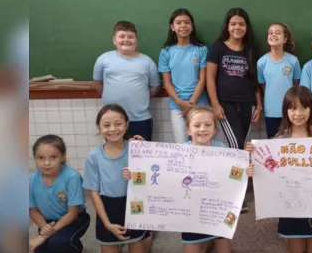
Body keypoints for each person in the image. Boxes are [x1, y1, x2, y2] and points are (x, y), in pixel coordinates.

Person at [124, 106, 253, 253]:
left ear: (214, 130)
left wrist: (246, 171)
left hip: (215, 214)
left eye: (208, 125)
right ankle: (206, 244)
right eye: (197, 125)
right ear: (188, 129)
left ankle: (213, 239)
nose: (202, 129)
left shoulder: (223, 150)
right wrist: (141, 157)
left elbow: (234, 176)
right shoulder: (179, 151)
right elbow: (159, 168)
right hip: (190, 217)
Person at [245, 86, 312, 253]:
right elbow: (268, 171)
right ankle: (285, 229)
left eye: (304, 107)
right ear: (285, 111)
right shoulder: (278, 141)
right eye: (292, 108)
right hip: (291, 204)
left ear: (311, 109)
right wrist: (253, 162)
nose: (298, 113)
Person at [82, 104, 153, 253]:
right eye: (106, 125)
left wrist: (145, 153)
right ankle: (120, 242)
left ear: (127, 125)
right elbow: (94, 193)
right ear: (98, 127)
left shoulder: (136, 148)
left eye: (118, 123)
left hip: (133, 206)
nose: (113, 129)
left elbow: (152, 180)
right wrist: (107, 224)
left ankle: (147, 236)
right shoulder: (94, 156)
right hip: (109, 209)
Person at [28, 134, 90, 253]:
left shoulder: (71, 177)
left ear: (62, 157)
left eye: (53, 157)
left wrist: (43, 237)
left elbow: (72, 213)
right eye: (41, 158)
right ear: (35, 158)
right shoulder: (31, 180)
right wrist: (43, 227)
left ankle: (75, 250)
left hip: (74, 220)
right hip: (48, 223)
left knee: (59, 242)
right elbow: (33, 210)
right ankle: (58, 245)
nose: (47, 163)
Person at [93, 20, 161, 141]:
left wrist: (141, 98)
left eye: (130, 37)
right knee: (115, 155)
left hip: (140, 119)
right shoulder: (103, 59)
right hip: (113, 121)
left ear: (136, 40)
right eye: (122, 36)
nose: (126, 40)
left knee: (142, 157)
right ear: (114, 40)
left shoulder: (148, 62)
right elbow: (98, 84)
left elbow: (154, 87)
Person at [206, 8, 263, 149]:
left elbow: (255, 79)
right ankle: (236, 171)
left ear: (246, 27)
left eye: (241, 24)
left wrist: (259, 106)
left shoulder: (251, 49)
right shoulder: (218, 47)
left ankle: (240, 171)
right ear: (227, 26)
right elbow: (210, 78)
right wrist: (215, 105)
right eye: (233, 24)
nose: (237, 27)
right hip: (225, 103)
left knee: (241, 144)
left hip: (248, 103)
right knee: (235, 143)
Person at [158, 8, 209, 143]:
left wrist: (192, 102)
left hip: (199, 103)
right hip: (177, 105)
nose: (183, 26)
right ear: (172, 27)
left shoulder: (201, 49)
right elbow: (167, 82)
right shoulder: (166, 51)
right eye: (178, 23)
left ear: (192, 26)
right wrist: (181, 103)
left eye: (187, 22)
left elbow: (203, 79)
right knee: (181, 145)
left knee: (202, 142)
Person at [257, 22, 300, 139]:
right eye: (270, 33)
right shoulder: (261, 62)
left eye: (278, 33)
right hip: (271, 111)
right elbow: (263, 85)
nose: (273, 35)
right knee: (273, 143)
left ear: (285, 39)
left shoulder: (293, 61)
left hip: (290, 111)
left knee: (291, 143)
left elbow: (296, 86)